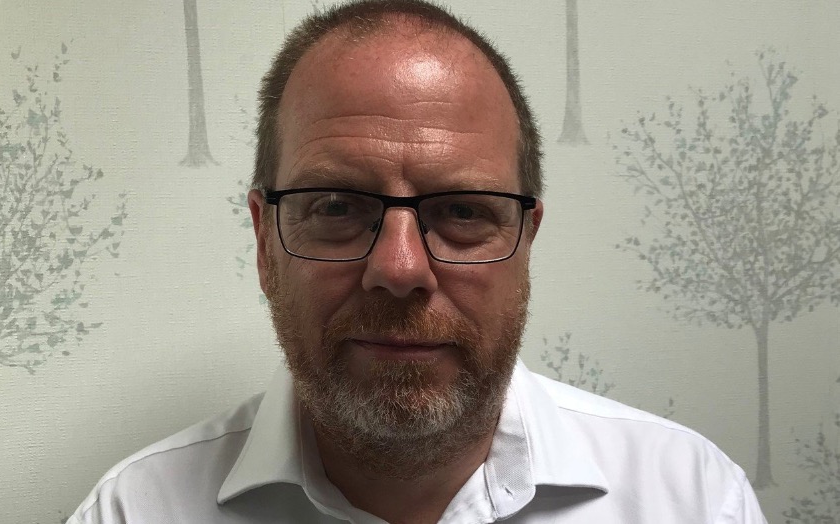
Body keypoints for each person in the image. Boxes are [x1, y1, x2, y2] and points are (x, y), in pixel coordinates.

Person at [68, 1, 767, 522]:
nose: (400, 270)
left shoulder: (691, 499)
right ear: (263, 241)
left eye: (462, 211)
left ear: (524, 241)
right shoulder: (134, 511)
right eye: (336, 206)